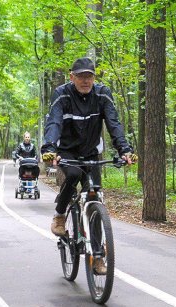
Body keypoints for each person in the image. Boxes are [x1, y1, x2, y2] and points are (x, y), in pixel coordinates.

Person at [41, 57, 134, 274]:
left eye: (89, 76)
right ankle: (60, 215)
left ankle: (98, 258)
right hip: (67, 151)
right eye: (81, 76)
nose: (85, 80)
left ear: (94, 77)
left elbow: (114, 123)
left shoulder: (102, 94)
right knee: (72, 175)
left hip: (91, 151)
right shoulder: (62, 94)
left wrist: (124, 150)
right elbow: (54, 122)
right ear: (72, 76)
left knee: (95, 196)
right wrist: (49, 149)